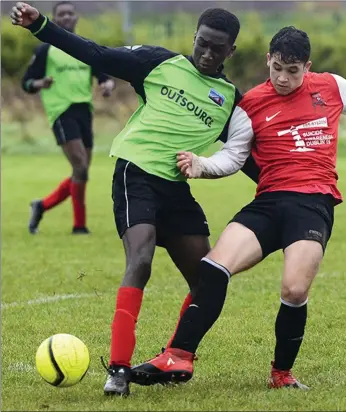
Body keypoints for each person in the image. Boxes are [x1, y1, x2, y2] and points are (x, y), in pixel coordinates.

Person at [129, 26, 346, 389]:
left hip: (312, 204)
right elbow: (234, 156)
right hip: (268, 203)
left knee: (295, 291)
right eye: (277, 67)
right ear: (268, 60)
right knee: (213, 267)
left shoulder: (330, 87)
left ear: (307, 67)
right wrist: (202, 165)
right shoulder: (249, 104)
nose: (283, 78)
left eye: (292, 71)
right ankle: (178, 357)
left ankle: (281, 374)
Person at [10, 1, 260, 397]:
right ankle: (119, 369)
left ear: (231, 51)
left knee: (208, 279)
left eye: (218, 48)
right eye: (202, 43)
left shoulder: (230, 100)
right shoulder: (158, 64)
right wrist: (41, 25)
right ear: (194, 37)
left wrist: (287, 189)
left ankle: (174, 356)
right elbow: (94, 53)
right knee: (140, 260)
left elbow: (245, 155)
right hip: (136, 174)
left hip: (176, 189)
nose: (207, 53)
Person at [22, 1, 115, 235]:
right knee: (80, 166)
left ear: (76, 18)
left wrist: (107, 84)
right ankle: (79, 226)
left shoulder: (84, 48)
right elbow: (27, 82)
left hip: (85, 111)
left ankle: (41, 206)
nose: (66, 17)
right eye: (61, 14)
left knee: (81, 172)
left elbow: (102, 75)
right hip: (61, 111)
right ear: (54, 19)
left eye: (70, 13)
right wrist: (39, 83)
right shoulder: (45, 50)